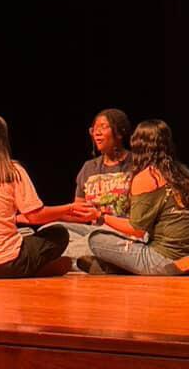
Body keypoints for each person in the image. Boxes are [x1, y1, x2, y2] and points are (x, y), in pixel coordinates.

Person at [0, 113, 96, 278]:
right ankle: (29, 270)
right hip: (2, 263)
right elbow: (35, 216)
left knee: (23, 237)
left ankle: (25, 268)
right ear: (1, 140)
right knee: (58, 233)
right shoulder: (12, 171)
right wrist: (69, 208)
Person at [80, 119, 189, 275]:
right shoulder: (182, 171)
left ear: (138, 145)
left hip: (165, 259)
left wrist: (100, 216)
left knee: (96, 239)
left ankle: (116, 266)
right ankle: (111, 267)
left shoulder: (147, 177)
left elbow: (137, 229)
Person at [40, 108, 134, 263]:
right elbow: (79, 213)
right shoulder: (89, 168)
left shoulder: (136, 164)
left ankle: (72, 259)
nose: (97, 132)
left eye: (103, 127)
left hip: (124, 233)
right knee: (49, 230)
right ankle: (96, 261)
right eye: (94, 129)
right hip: (94, 231)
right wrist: (46, 215)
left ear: (119, 132)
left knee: (82, 245)